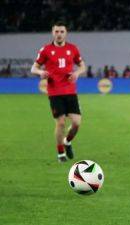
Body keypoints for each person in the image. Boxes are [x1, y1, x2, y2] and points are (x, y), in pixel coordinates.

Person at [31, 21, 86, 162]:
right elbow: (33, 68)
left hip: (70, 91)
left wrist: (77, 73)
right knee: (61, 122)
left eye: (62, 31)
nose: (59, 34)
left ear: (66, 33)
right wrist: (40, 72)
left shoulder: (72, 49)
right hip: (55, 92)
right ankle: (60, 152)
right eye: (56, 31)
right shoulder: (46, 50)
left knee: (76, 123)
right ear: (52, 33)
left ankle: (67, 141)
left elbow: (82, 66)